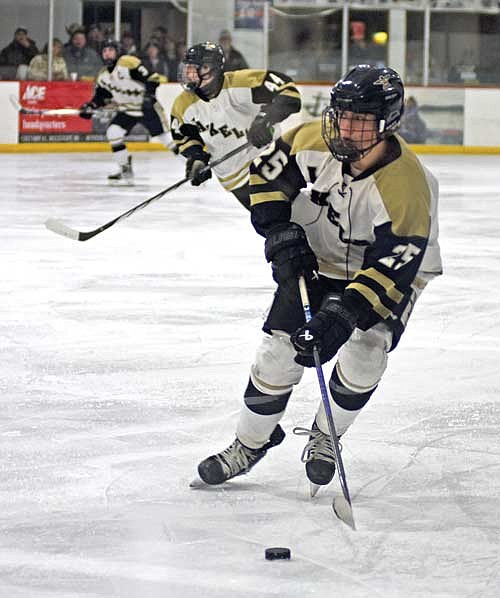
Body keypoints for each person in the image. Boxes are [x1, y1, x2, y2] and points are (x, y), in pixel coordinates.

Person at [195, 65, 442, 490]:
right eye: (342, 115)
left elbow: (391, 267)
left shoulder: (409, 188)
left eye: (361, 119)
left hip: (390, 270)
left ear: (389, 122)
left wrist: (343, 314)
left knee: (365, 353)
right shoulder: (312, 139)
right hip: (323, 251)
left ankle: (327, 436)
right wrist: (282, 235)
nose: (346, 128)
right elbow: (266, 176)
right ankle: (249, 443)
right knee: (277, 354)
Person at [170, 41, 301, 209]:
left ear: (213, 69)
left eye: (198, 68)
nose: (190, 74)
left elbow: (289, 92)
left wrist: (265, 119)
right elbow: (186, 137)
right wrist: (197, 158)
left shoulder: (241, 83)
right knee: (272, 224)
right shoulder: (182, 105)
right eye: (188, 68)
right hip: (236, 179)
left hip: (270, 157)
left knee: (299, 214)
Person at [79, 39, 173, 184]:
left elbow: (152, 79)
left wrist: (149, 97)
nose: (107, 54)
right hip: (127, 110)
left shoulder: (127, 63)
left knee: (166, 140)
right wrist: (90, 106)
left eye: (110, 50)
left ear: (117, 51)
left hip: (146, 107)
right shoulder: (103, 76)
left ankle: (193, 164)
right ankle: (125, 168)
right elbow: (101, 97)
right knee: (113, 132)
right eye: (104, 51)